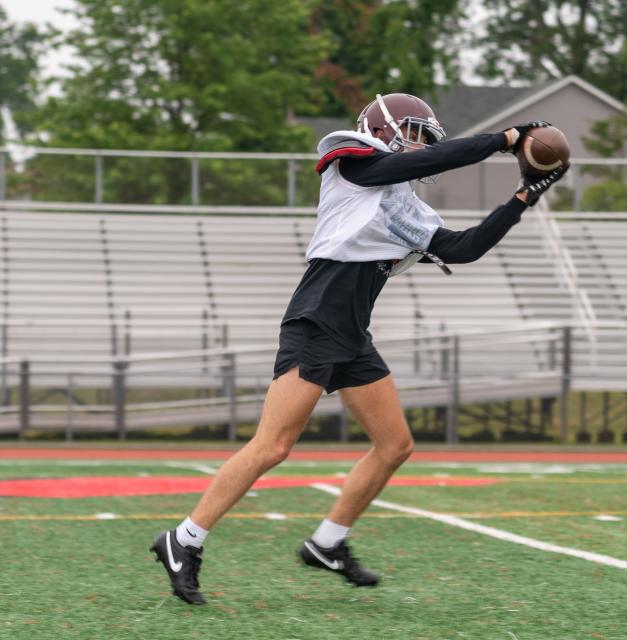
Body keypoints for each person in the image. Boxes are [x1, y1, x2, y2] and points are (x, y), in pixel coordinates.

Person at [150, 92, 568, 605]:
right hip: (317, 318)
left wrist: (525, 196)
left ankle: (327, 543)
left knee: (395, 445)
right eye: (413, 132)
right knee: (273, 445)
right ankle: (183, 539)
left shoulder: (406, 203)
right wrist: (505, 140)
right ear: (384, 127)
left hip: (352, 332)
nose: (420, 145)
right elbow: (429, 160)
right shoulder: (351, 160)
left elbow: (465, 248)